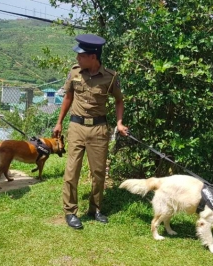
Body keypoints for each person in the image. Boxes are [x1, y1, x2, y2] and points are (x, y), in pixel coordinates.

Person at [53, 34, 128, 229]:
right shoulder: (75, 73)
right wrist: (59, 122)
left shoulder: (110, 78)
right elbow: (68, 97)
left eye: (81, 55)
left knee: (98, 172)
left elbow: (119, 100)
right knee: (72, 171)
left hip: (98, 130)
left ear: (93, 57)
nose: (77, 59)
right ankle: (70, 211)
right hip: (76, 127)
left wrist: (119, 123)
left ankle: (95, 209)